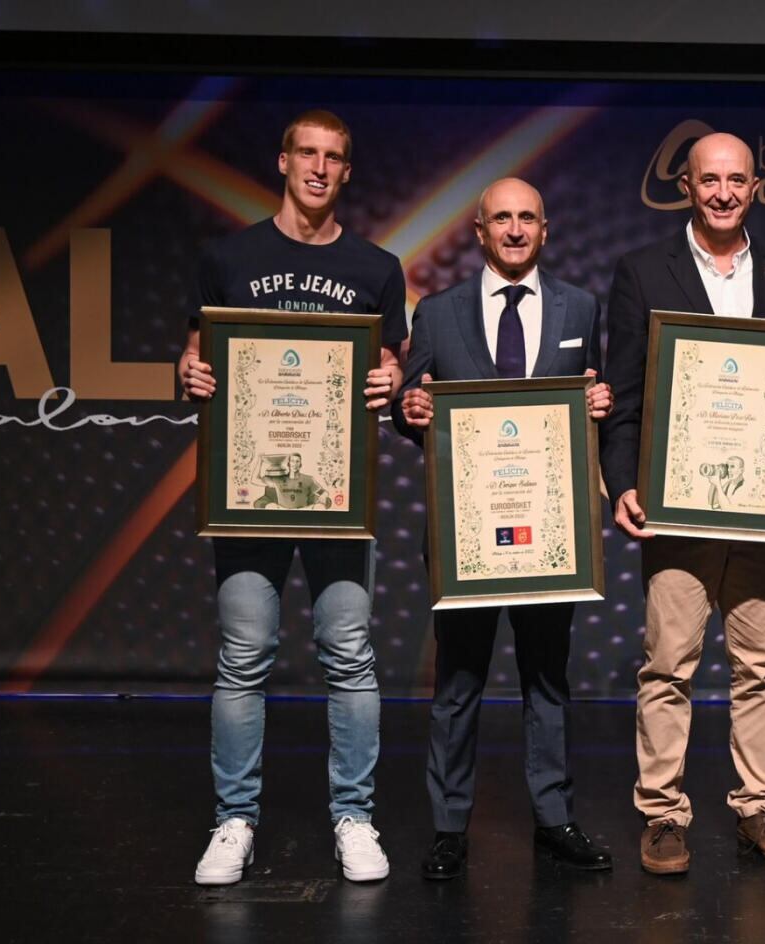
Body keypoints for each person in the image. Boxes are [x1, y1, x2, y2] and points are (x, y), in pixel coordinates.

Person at [179, 109, 405, 885]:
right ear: (282, 162)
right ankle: (233, 819)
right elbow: (197, 352)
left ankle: (355, 816)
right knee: (244, 657)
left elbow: (396, 366)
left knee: (349, 654)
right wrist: (191, 373)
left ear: (346, 171)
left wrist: (394, 378)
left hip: (338, 494)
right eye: (306, 154)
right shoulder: (229, 256)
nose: (318, 168)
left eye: (333, 157)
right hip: (249, 493)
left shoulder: (377, 268)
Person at [599, 131, 765, 874]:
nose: (724, 192)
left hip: (761, 504)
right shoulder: (641, 272)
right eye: (710, 180)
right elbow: (625, 394)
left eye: (737, 179)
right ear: (689, 187)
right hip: (676, 502)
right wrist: (621, 479)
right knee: (668, 665)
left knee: (759, 664)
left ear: (756, 186)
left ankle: (758, 807)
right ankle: (663, 814)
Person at [393, 177, 615, 879]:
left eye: (527, 219)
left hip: (550, 533)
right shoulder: (436, 313)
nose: (515, 230)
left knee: (547, 680)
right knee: (458, 683)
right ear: (480, 233)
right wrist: (409, 411)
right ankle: (450, 827)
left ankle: (553, 817)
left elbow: (593, 396)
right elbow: (411, 400)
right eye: (502, 220)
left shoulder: (582, 307)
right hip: (468, 537)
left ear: (545, 230)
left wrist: (599, 399)